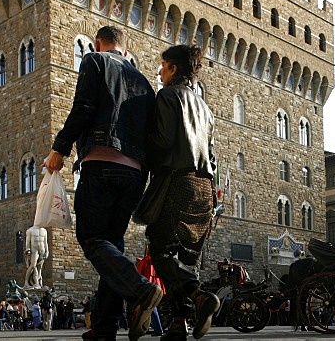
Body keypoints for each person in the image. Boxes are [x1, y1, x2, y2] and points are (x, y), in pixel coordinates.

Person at [43, 25, 162, 341]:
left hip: (101, 162)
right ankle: (106, 326)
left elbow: (83, 106)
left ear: (98, 44)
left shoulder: (94, 61)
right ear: (125, 49)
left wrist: (60, 148)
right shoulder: (144, 82)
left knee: (92, 237)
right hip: (134, 174)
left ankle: (140, 290)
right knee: (113, 243)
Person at [143, 45, 220, 341]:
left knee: (161, 248)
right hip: (204, 185)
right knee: (188, 255)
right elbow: (210, 152)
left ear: (174, 68)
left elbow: (161, 141)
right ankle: (179, 322)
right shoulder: (204, 106)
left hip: (177, 181)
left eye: (163, 66)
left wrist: (141, 141)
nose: (160, 71)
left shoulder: (168, 96)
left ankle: (198, 296)